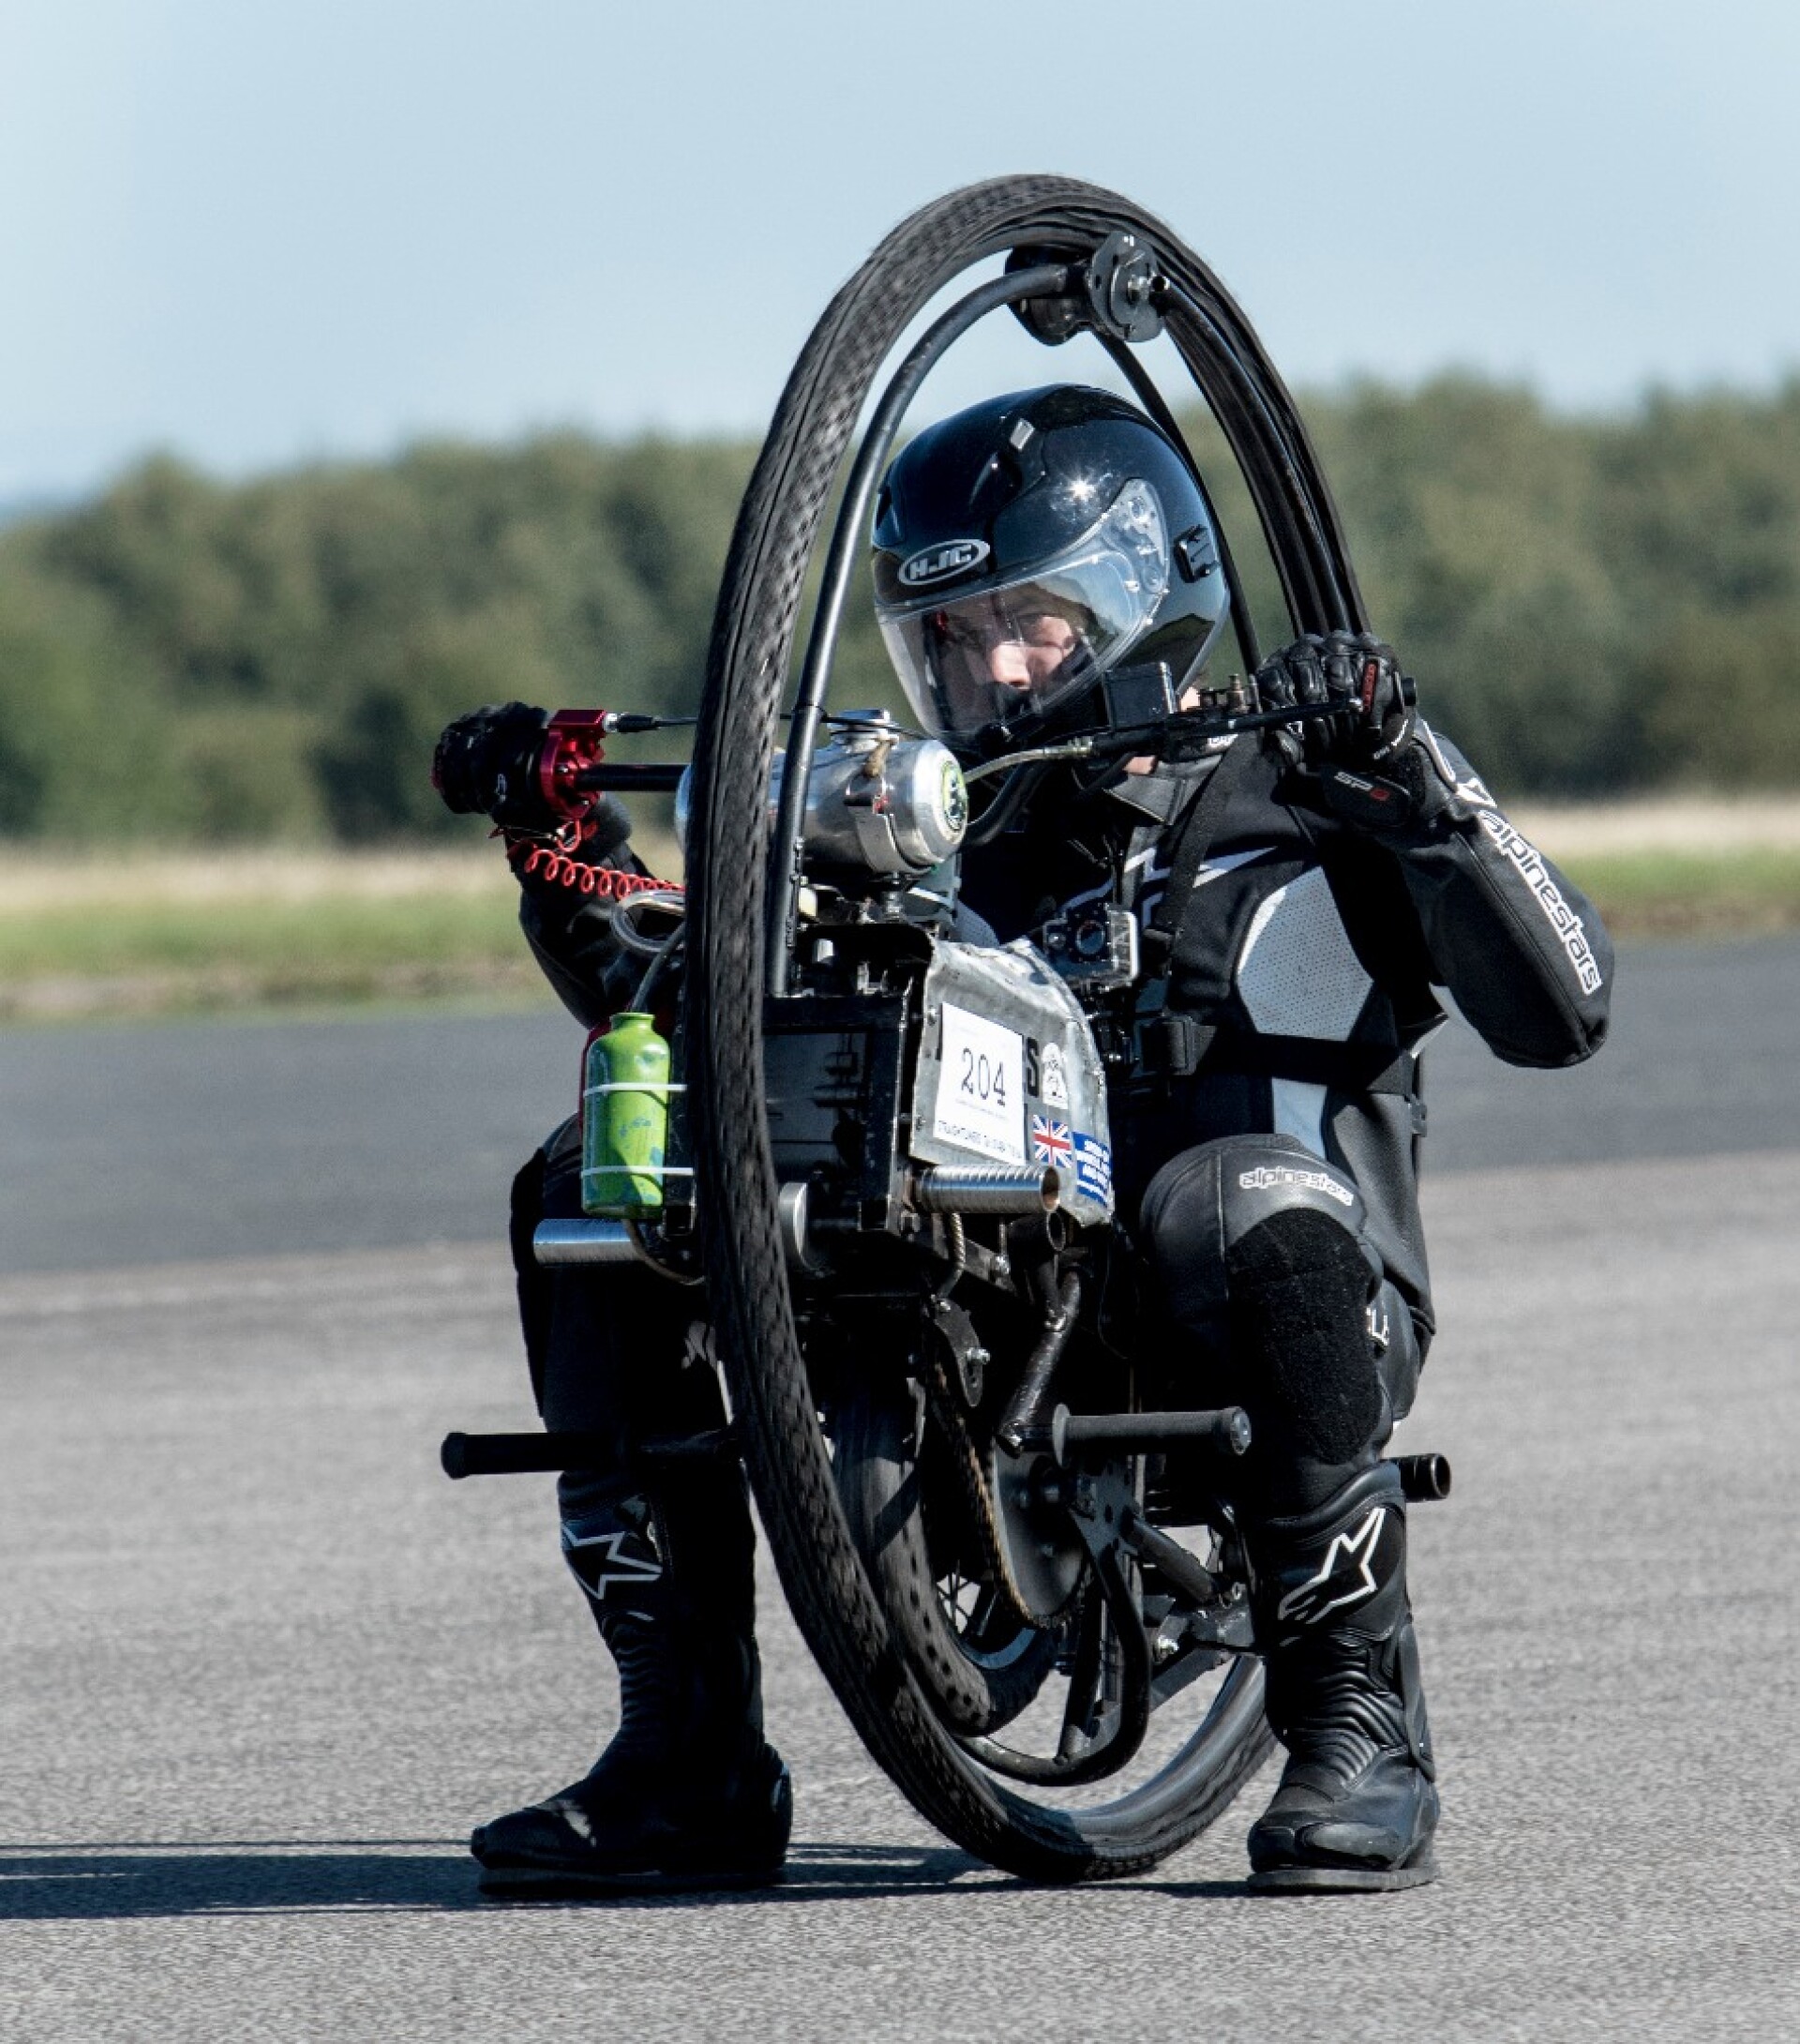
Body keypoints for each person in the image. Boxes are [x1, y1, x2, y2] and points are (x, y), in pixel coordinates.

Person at [434, 382, 1612, 1896]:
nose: (987, 671)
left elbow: (1566, 1001)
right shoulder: (946, 848)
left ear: (1139, 591)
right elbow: (697, 1015)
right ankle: (689, 1756)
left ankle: (1359, 1722)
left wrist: (1411, 774)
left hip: (1286, 1292)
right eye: (949, 640)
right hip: (1000, 1305)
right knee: (602, 1182)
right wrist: (560, 845)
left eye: (1026, 625)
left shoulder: (1318, 798)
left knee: (1231, 1197)